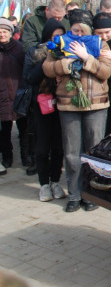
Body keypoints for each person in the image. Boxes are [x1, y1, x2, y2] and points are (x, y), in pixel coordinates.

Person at [42, 9, 111, 212]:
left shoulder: (100, 44)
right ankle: (74, 194)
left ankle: (92, 194)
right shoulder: (61, 43)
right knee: (72, 152)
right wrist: (66, 63)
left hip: (95, 105)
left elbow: (106, 71)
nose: (79, 35)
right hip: (68, 104)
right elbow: (47, 68)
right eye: (75, 30)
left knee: (93, 150)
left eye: (83, 31)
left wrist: (86, 58)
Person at [23, 18, 66, 201]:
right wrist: (47, 63)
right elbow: (28, 77)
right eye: (54, 36)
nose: (57, 40)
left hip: (62, 104)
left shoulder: (67, 50)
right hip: (41, 106)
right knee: (42, 148)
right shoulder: (35, 52)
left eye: (60, 36)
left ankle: (55, 181)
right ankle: (44, 184)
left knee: (58, 147)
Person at [0, 18, 25, 174]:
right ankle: (7, 157)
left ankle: (26, 157)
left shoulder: (19, 49)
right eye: (0, 32)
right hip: (2, 95)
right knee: (4, 130)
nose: (2, 34)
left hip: (18, 94)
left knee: (23, 128)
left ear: (10, 33)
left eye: (4, 31)